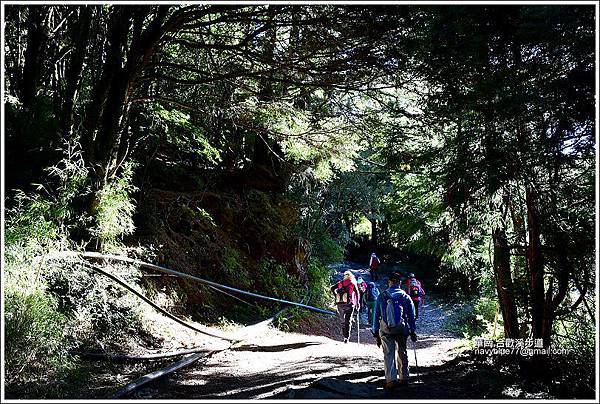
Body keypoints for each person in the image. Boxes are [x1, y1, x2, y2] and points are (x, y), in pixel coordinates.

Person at [372, 272, 417, 389]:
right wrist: (413, 330)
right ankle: (404, 377)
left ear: (389, 282)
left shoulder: (381, 296)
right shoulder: (405, 297)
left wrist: (376, 332)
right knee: (402, 351)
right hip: (401, 329)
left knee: (388, 354)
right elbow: (411, 315)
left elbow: (376, 315)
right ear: (400, 283)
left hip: (386, 329)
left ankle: (391, 380)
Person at [330, 270, 360, 343]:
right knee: (348, 321)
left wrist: (336, 296)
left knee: (342, 321)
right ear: (351, 276)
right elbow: (357, 293)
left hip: (340, 304)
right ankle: (346, 337)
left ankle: (344, 335)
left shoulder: (340, 283)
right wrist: (358, 304)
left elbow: (332, 288)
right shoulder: (352, 284)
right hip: (349, 304)